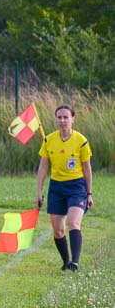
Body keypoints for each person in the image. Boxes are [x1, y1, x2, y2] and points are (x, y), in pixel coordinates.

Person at [36, 104, 93, 272]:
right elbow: (43, 167)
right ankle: (66, 262)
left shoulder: (81, 141)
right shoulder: (48, 140)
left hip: (76, 187)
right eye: (59, 117)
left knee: (73, 223)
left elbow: (87, 169)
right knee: (58, 231)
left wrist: (89, 193)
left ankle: (75, 262)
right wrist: (39, 191)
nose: (62, 121)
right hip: (56, 188)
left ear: (73, 119)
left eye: (66, 117)